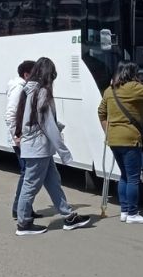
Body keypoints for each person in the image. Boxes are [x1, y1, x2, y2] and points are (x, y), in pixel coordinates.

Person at [15, 57, 90, 236]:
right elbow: (48, 125)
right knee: (31, 185)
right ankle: (23, 223)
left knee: (53, 183)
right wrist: (64, 152)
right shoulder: (41, 93)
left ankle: (68, 216)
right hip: (38, 148)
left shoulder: (29, 90)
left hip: (37, 147)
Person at [97, 60, 143, 224]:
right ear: (132, 73)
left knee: (124, 176)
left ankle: (124, 211)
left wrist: (109, 131)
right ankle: (133, 214)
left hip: (113, 139)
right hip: (130, 139)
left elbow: (101, 113)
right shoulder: (133, 87)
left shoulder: (109, 90)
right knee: (134, 178)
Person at [5, 60, 42, 220]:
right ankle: (19, 209)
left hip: (22, 137)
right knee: (27, 174)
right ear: (26, 75)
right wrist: (17, 135)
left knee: (27, 173)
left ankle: (22, 208)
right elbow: (10, 114)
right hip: (20, 139)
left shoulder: (24, 88)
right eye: (35, 74)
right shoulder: (19, 88)